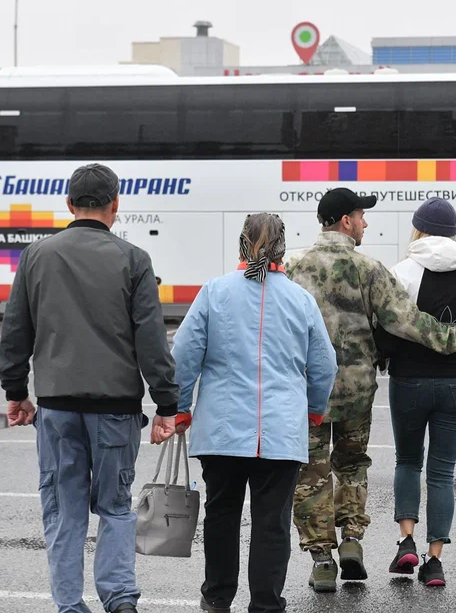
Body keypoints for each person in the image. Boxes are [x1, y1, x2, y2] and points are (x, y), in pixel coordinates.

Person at [0, 163, 180, 613]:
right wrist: (166, 403)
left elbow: (15, 332)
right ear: (116, 204)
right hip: (116, 408)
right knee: (116, 508)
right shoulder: (134, 259)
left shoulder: (36, 256)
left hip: (56, 409)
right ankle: (119, 600)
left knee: (63, 511)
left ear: (68, 204)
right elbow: (151, 341)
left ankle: (69, 605)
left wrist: (16, 392)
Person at [286, 189, 456, 593]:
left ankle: (323, 560)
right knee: (352, 465)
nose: (365, 223)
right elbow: (410, 323)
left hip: (307, 395)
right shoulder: (369, 268)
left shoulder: (293, 266)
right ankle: (352, 541)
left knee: (312, 473)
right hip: (356, 392)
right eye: (361, 216)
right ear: (345, 221)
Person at [169, 213, 338, 613]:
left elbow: (184, 355)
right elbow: (325, 364)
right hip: (281, 433)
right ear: (282, 247)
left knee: (222, 515)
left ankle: (217, 597)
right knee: (272, 524)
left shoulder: (215, 292)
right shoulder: (300, 299)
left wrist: (179, 408)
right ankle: (265, 604)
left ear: (242, 243)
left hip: (222, 430)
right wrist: (314, 410)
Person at [374, 199, 456, 588]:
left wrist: (397, 356)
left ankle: (406, 541)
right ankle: (434, 561)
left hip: (410, 383)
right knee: (443, 472)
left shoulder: (402, 273)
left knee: (408, 461)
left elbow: (385, 331)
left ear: (418, 230)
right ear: (453, 233)